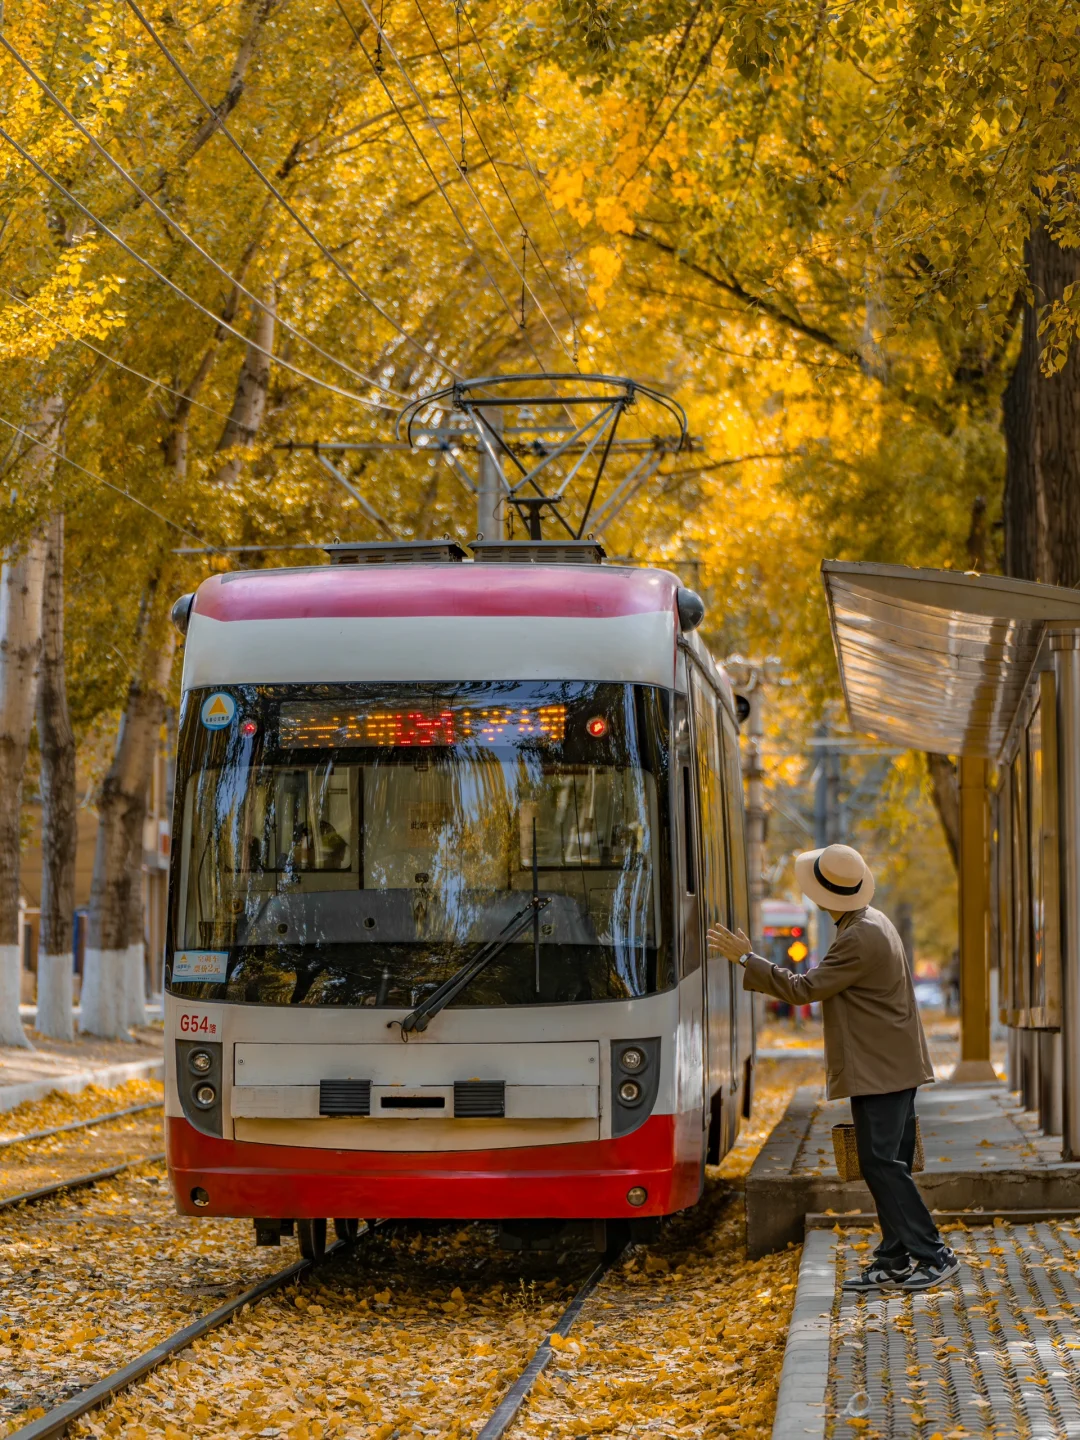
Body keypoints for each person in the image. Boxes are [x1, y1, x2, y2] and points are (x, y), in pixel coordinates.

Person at [709, 842, 958, 1294]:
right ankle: (895, 1257)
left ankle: (933, 1252)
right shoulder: (871, 922)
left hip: (883, 1068)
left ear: (826, 898)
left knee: (881, 1162)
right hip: (889, 1063)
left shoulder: (859, 936)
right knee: (886, 1160)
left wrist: (747, 959)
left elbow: (805, 989)